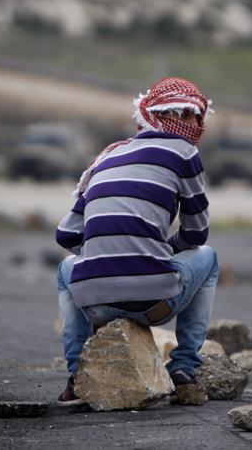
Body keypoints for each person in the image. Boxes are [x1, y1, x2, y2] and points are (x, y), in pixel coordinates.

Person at [54, 77, 219, 404]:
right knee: (209, 257)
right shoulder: (185, 152)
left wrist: (105, 256)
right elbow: (197, 233)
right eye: (182, 115)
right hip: (155, 304)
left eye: (193, 116)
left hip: (95, 305)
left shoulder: (107, 156)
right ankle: (184, 366)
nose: (189, 124)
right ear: (159, 116)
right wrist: (156, 251)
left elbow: (66, 234)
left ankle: (77, 376)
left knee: (65, 269)